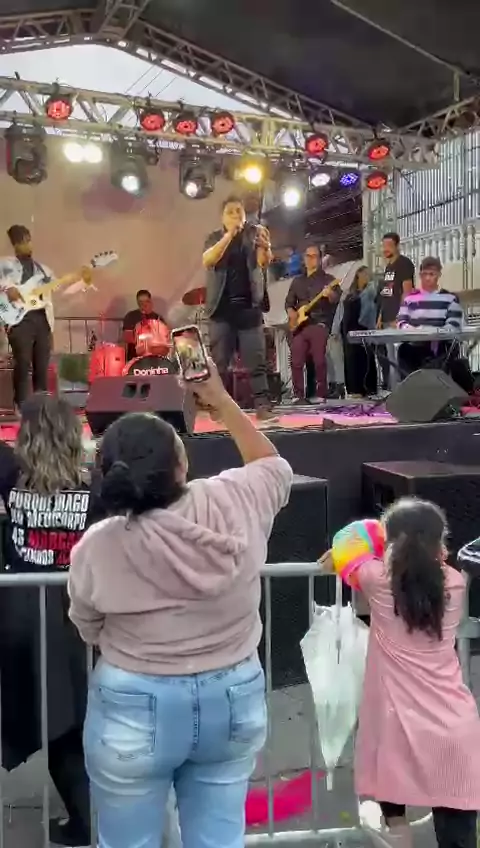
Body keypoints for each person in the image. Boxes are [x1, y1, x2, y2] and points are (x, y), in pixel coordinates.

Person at [68, 362, 293, 848]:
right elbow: (274, 466)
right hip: (232, 693)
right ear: (181, 465)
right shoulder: (233, 500)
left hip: (133, 698)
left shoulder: (98, 546)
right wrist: (221, 400)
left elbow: (87, 623)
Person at [323, 499, 480, 848]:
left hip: (395, 722)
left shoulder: (376, 579)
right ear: (440, 543)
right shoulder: (455, 583)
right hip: (451, 723)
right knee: (458, 833)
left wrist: (352, 553)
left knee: (393, 811)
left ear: (391, 542)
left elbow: (347, 540)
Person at [0, 394, 101, 847]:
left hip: (24, 611)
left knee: (52, 715)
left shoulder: (9, 474)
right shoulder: (95, 487)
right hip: (77, 609)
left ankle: (84, 818)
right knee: (79, 716)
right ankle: (89, 815)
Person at [202, 196, 277, 424]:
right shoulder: (214, 238)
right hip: (221, 310)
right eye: (231, 212)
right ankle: (218, 408)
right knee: (219, 364)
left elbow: (264, 262)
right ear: (222, 217)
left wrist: (266, 246)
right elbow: (208, 260)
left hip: (249, 309)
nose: (236, 215)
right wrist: (229, 235)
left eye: (239, 211)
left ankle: (262, 406)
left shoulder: (253, 234)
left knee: (257, 362)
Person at [397, 256, 474, 393]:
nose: (427, 278)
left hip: (439, 346)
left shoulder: (450, 298)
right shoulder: (409, 299)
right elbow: (402, 322)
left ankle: (433, 391)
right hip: (415, 344)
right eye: (424, 274)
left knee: (445, 352)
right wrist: (414, 331)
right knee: (404, 350)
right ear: (420, 275)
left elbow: (453, 325)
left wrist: (434, 334)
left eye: (431, 274)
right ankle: (411, 392)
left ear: (438, 275)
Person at [0, 225, 55, 410]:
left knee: (42, 364)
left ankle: (42, 406)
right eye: (22, 241)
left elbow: (59, 289)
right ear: (14, 244)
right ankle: (22, 405)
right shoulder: (5, 264)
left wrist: (82, 281)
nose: (27, 245)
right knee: (23, 362)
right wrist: (8, 288)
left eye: (28, 240)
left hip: (41, 318)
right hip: (19, 319)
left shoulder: (43, 269)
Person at [285, 244, 341, 403]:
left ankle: (321, 393)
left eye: (314, 256)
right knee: (296, 359)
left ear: (320, 258)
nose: (310, 259)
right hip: (300, 326)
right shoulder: (297, 281)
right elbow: (289, 303)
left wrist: (329, 294)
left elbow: (336, 298)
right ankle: (298, 395)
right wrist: (292, 313)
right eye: (308, 256)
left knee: (319, 360)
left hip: (319, 322)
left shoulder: (328, 280)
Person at [377, 233, 415, 390]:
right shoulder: (388, 268)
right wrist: (380, 317)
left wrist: (400, 316)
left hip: (398, 320)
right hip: (387, 319)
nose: (385, 249)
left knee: (399, 359)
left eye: (389, 246)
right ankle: (394, 390)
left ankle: (404, 391)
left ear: (397, 246)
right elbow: (386, 294)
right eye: (384, 246)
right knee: (390, 359)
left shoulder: (404, 264)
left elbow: (407, 292)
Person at [341, 266, 378, 397]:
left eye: (367, 275)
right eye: (363, 274)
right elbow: (342, 312)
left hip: (363, 327)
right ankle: (353, 389)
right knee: (351, 359)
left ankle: (368, 388)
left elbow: (372, 310)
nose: (365, 277)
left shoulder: (370, 292)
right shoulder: (350, 294)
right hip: (348, 326)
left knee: (366, 357)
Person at [122, 289, 165, 361]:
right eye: (140, 302)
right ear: (137, 303)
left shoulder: (158, 318)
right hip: (135, 358)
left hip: (155, 358)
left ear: (151, 302)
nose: (144, 305)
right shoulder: (131, 316)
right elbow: (127, 337)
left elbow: (164, 339)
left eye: (146, 301)